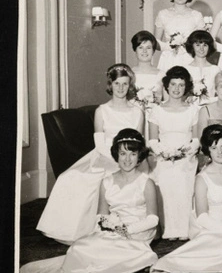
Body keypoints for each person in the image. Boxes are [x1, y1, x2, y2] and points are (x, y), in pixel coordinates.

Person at [21, 129, 159, 273]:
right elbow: (101, 215)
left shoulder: (146, 183)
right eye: (123, 154)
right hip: (114, 229)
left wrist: (127, 230)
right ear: (116, 155)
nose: (127, 159)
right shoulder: (106, 181)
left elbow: (153, 219)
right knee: (79, 248)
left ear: (139, 156)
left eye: (133, 154)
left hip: (139, 232)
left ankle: (136, 257)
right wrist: (107, 226)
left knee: (114, 252)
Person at [37, 64, 145, 244]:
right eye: (117, 83)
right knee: (71, 176)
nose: (120, 88)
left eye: (124, 84)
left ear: (130, 86)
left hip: (130, 157)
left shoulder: (137, 112)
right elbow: (100, 144)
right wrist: (114, 160)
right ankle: (67, 228)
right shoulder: (102, 111)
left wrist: (127, 160)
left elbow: (139, 142)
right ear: (110, 85)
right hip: (104, 155)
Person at [151, 125, 222, 273]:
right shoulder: (202, 178)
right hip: (208, 226)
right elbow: (203, 217)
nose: (220, 151)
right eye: (214, 147)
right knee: (220, 247)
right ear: (208, 151)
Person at [147, 66, 200, 240]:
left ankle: (185, 229)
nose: (177, 89)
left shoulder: (193, 110)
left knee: (183, 176)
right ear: (166, 86)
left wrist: (184, 153)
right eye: (173, 84)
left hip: (187, 157)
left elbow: (196, 140)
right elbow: (153, 141)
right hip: (163, 157)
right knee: (167, 177)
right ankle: (169, 229)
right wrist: (166, 154)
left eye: (181, 85)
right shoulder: (157, 110)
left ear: (186, 88)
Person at [154, 0, 204, 73]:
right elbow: (156, 42)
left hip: (190, 59)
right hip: (168, 59)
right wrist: (170, 46)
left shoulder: (196, 15)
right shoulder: (163, 14)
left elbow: (200, 43)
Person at [183, 30, 220, 105]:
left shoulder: (216, 70)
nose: (201, 49)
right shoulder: (185, 69)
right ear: (192, 46)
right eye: (198, 45)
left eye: (205, 45)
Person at [130, 30, 163, 114]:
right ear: (135, 50)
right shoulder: (129, 74)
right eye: (140, 47)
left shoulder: (162, 74)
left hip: (155, 118)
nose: (144, 51)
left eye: (148, 48)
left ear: (153, 50)